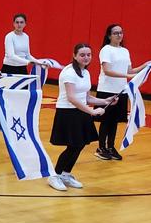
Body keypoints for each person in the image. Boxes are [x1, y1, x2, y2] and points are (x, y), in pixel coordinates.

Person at [47, 43, 115, 192]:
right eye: (82, 55)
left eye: (88, 55)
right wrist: (92, 111)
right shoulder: (69, 72)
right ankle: (55, 175)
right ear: (75, 56)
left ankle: (65, 174)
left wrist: (105, 101)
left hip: (80, 112)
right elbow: (72, 98)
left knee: (80, 144)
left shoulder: (85, 72)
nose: (86, 57)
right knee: (74, 145)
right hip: (68, 113)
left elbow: (87, 97)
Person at [95, 24, 150, 161]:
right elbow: (107, 70)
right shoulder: (106, 50)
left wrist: (145, 65)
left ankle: (110, 147)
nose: (119, 35)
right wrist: (127, 76)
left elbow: (130, 71)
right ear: (109, 36)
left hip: (121, 91)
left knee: (114, 121)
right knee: (106, 121)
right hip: (107, 90)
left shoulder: (125, 51)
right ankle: (101, 148)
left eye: (120, 32)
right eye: (115, 33)